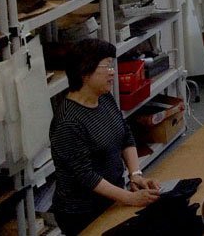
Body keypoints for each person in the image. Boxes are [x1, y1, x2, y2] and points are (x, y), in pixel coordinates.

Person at [50, 39, 160, 235]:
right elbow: (86, 176)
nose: (113, 72)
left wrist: (136, 175)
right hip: (82, 212)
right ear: (85, 72)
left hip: (112, 198)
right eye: (107, 66)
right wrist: (129, 198)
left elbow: (125, 135)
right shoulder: (68, 122)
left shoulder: (104, 98)